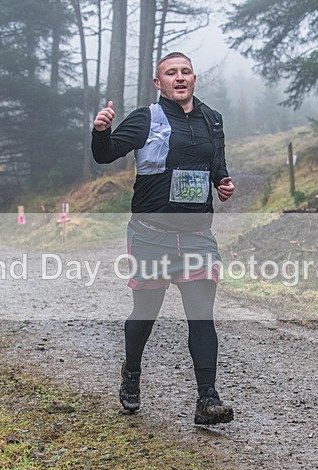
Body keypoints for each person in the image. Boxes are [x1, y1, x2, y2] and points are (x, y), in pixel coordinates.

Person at [91, 52, 236, 425]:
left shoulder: (211, 120)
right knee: (146, 314)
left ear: (194, 78)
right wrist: (101, 130)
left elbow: (216, 167)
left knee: (201, 316)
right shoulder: (146, 118)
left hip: (197, 236)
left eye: (185, 71)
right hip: (151, 235)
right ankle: (132, 374)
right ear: (159, 83)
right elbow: (105, 155)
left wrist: (223, 183)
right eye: (171, 73)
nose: (179, 77)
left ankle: (207, 399)